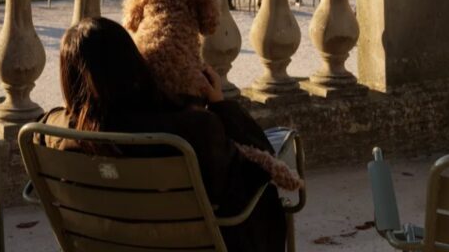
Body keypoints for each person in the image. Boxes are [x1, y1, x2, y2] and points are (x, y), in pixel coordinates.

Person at [36, 18, 286, 252]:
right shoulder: (192, 129)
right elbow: (256, 169)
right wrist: (221, 104)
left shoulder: (48, 130)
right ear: (134, 63)